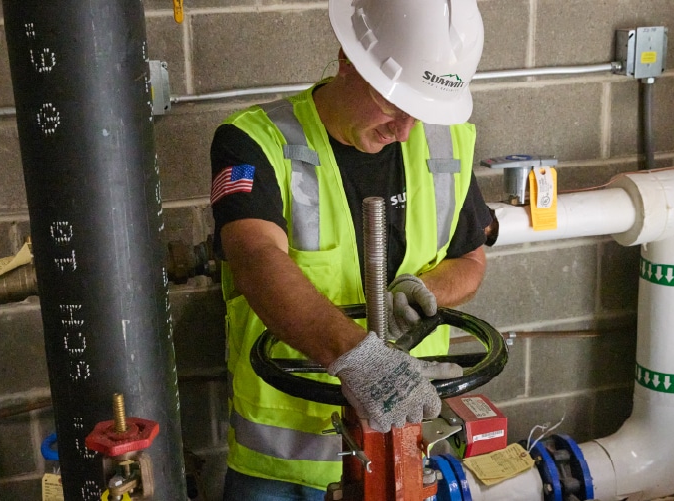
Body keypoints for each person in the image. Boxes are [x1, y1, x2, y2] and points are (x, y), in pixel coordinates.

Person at [209, 0, 489, 499]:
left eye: (420, 111)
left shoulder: (446, 146)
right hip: (283, 468)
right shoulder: (255, 141)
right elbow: (256, 259)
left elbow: (470, 260)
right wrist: (359, 358)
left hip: (405, 451)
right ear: (347, 57)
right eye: (391, 104)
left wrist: (425, 289)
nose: (404, 130)